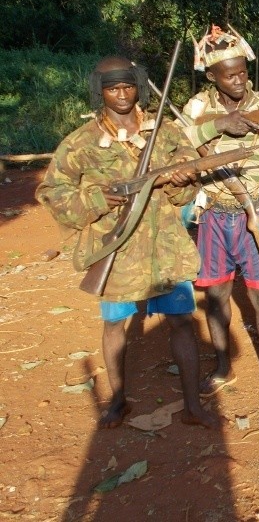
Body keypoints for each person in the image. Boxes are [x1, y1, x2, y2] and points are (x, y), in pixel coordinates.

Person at [36, 56, 219, 429]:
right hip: (115, 249)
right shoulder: (81, 143)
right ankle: (118, 400)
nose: (122, 95)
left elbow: (187, 181)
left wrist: (184, 181)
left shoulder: (163, 133)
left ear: (138, 86)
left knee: (183, 322)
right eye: (113, 88)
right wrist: (98, 199)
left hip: (164, 246)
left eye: (128, 86)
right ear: (99, 91)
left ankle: (192, 405)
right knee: (115, 325)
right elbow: (53, 193)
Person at [181, 25, 259, 414]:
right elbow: (177, 146)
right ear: (212, 77)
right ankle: (221, 366)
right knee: (216, 295)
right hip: (213, 212)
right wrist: (219, 125)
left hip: (253, 213)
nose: (238, 80)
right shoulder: (197, 108)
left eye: (242, 72)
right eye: (229, 75)